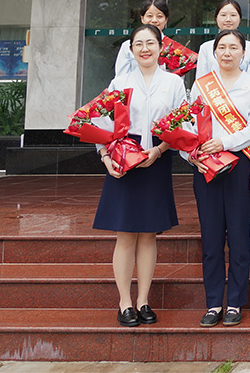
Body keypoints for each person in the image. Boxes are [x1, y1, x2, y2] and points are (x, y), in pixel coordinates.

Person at [92, 24, 182, 327]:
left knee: (148, 234)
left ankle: (144, 300)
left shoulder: (173, 82)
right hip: (123, 160)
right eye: (138, 44)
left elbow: (181, 123)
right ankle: (125, 302)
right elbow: (99, 121)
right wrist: (105, 157)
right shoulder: (120, 82)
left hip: (156, 159)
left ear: (161, 48)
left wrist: (158, 151)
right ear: (131, 50)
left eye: (151, 43)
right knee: (126, 234)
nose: (145, 48)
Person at [187, 29, 250, 328]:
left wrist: (225, 143)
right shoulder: (201, 86)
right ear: (214, 52)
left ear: (243, 53)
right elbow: (189, 125)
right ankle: (212, 303)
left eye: (234, 47)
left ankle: (234, 301)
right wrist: (191, 154)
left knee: (238, 237)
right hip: (206, 167)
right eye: (222, 47)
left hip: (240, 165)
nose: (227, 53)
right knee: (210, 238)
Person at [197, 0, 250, 79]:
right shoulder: (205, 48)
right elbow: (201, 80)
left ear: (240, 18)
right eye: (223, 15)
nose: (228, 19)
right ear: (216, 18)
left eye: (233, 15)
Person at [114, 0, 170, 78]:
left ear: (166, 20)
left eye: (159, 16)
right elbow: (121, 77)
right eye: (150, 16)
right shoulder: (127, 46)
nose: (154, 20)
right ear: (142, 18)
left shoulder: (174, 49)